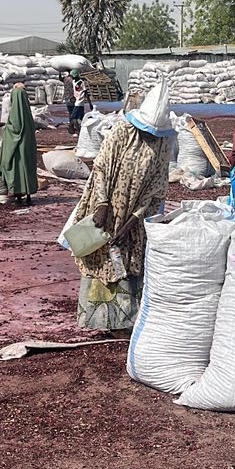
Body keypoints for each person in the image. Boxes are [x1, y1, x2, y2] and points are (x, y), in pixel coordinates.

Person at [71, 82, 174, 332]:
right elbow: (101, 169)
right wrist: (102, 203)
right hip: (105, 207)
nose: (150, 137)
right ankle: (96, 320)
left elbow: (155, 190)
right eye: (147, 132)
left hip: (135, 215)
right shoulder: (121, 134)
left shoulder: (162, 145)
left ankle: (123, 322)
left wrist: (133, 221)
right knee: (99, 257)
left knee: (126, 262)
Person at [0, 84, 37, 207]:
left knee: (16, 167)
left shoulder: (15, 112)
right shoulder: (27, 113)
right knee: (27, 167)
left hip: (17, 146)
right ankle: (28, 195)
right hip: (27, 145)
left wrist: (6, 127)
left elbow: (16, 128)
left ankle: (18, 195)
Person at [69, 71, 92, 135]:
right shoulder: (74, 81)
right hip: (77, 101)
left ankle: (79, 131)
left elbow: (86, 93)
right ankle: (83, 130)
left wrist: (90, 103)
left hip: (80, 102)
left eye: (72, 76)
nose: (72, 78)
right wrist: (73, 97)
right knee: (81, 117)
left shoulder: (81, 82)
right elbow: (75, 91)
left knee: (73, 117)